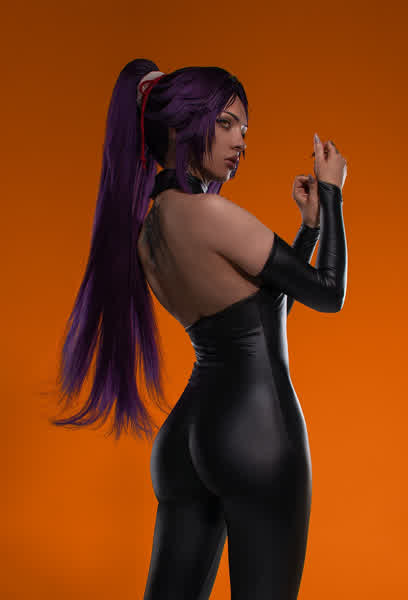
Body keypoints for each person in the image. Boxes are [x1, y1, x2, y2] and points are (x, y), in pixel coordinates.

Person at [49, 60, 347, 599]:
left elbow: (264, 313)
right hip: (255, 433)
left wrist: (308, 230)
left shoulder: (147, 233)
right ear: (180, 126)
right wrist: (332, 194)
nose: (241, 141)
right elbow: (328, 292)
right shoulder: (211, 214)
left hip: (188, 441)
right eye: (227, 124)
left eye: (244, 129)